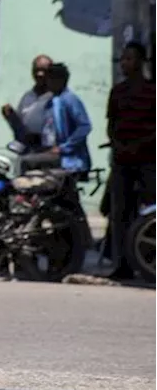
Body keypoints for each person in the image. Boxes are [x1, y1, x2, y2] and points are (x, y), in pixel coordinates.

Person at [104, 42, 157, 280]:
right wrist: (119, 145)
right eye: (122, 59)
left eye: (129, 59)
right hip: (122, 160)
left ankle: (149, 261)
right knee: (120, 214)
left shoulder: (152, 91)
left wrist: (140, 145)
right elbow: (111, 125)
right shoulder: (117, 92)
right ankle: (122, 265)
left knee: (150, 214)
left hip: (148, 159)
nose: (125, 63)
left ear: (141, 62)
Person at [44, 62, 92, 177]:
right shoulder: (52, 101)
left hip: (72, 161)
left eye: (51, 79)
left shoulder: (70, 100)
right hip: (57, 159)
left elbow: (85, 126)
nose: (48, 83)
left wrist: (65, 147)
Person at [1, 55, 53, 151]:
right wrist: (11, 116)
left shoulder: (57, 98)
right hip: (28, 149)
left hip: (49, 150)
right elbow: (21, 128)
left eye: (44, 70)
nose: (40, 74)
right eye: (36, 70)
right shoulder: (27, 97)